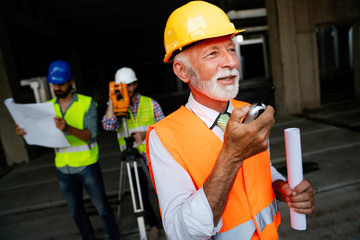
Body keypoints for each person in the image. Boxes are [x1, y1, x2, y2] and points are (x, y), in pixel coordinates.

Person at [146, 1, 316, 240]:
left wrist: (282, 188)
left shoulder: (247, 111)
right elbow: (182, 233)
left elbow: (260, 168)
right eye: (213, 53)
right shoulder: (164, 137)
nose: (231, 62)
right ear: (182, 71)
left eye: (231, 49)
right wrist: (232, 155)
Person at [15, 60, 120, 240]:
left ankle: (114, 237)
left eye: (61, 83)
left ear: (71, 82)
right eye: (54, 83)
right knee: (76, 212)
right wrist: (26, 131)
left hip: (87, 165)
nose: (57, 87)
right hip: (63, 168)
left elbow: (91, 135)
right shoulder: (47, 108)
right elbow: (41, 135)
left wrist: (67, 128)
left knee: (102, 208)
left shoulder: (87, 104)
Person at [102, 67, 164, 240]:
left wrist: (146, 134)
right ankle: (153, 225)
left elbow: (165, 130)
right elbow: (108, 126)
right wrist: (111, 101)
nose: (125, 90)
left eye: (128, 86)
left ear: (135, 85)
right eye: (121, 87)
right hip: (132, 160)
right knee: (140, 195)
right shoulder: (115, 105)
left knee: (163, 191)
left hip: (154, 157)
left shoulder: (150, 104)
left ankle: (171, 221)